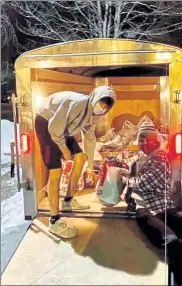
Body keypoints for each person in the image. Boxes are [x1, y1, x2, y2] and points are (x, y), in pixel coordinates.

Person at [35, 86, 116, 239]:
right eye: (101, 103)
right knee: (56, 171)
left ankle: (68, 201)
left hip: (61, 127)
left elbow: (89, 138)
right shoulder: (77, 103)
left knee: (80, 157)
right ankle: (54, 221)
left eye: (106, 107)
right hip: (46, 122)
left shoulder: (92, 114)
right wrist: (64, 149)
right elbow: (54, 129)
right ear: (94, 98)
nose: (102, 108)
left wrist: (90, 167)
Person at [120, 122, 182, 285]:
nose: (144, 143)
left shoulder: (160, 158)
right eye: (141, 139)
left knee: (174, 238)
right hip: (147, 212)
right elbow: (133, 175)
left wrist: (125, 179)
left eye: (148, 139)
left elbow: (143, 183)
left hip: (162, 208)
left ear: (156, 141)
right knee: (172, 240)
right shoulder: (142, 159)